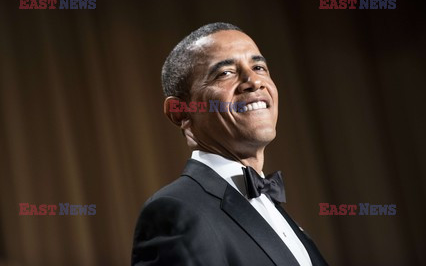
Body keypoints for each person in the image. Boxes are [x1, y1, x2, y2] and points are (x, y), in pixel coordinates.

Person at [131, 23, 328, 266]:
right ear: (181, 113)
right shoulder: (176, 212)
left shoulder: (276, 211)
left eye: (258, 67)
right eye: (225, 73)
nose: (254, 81)